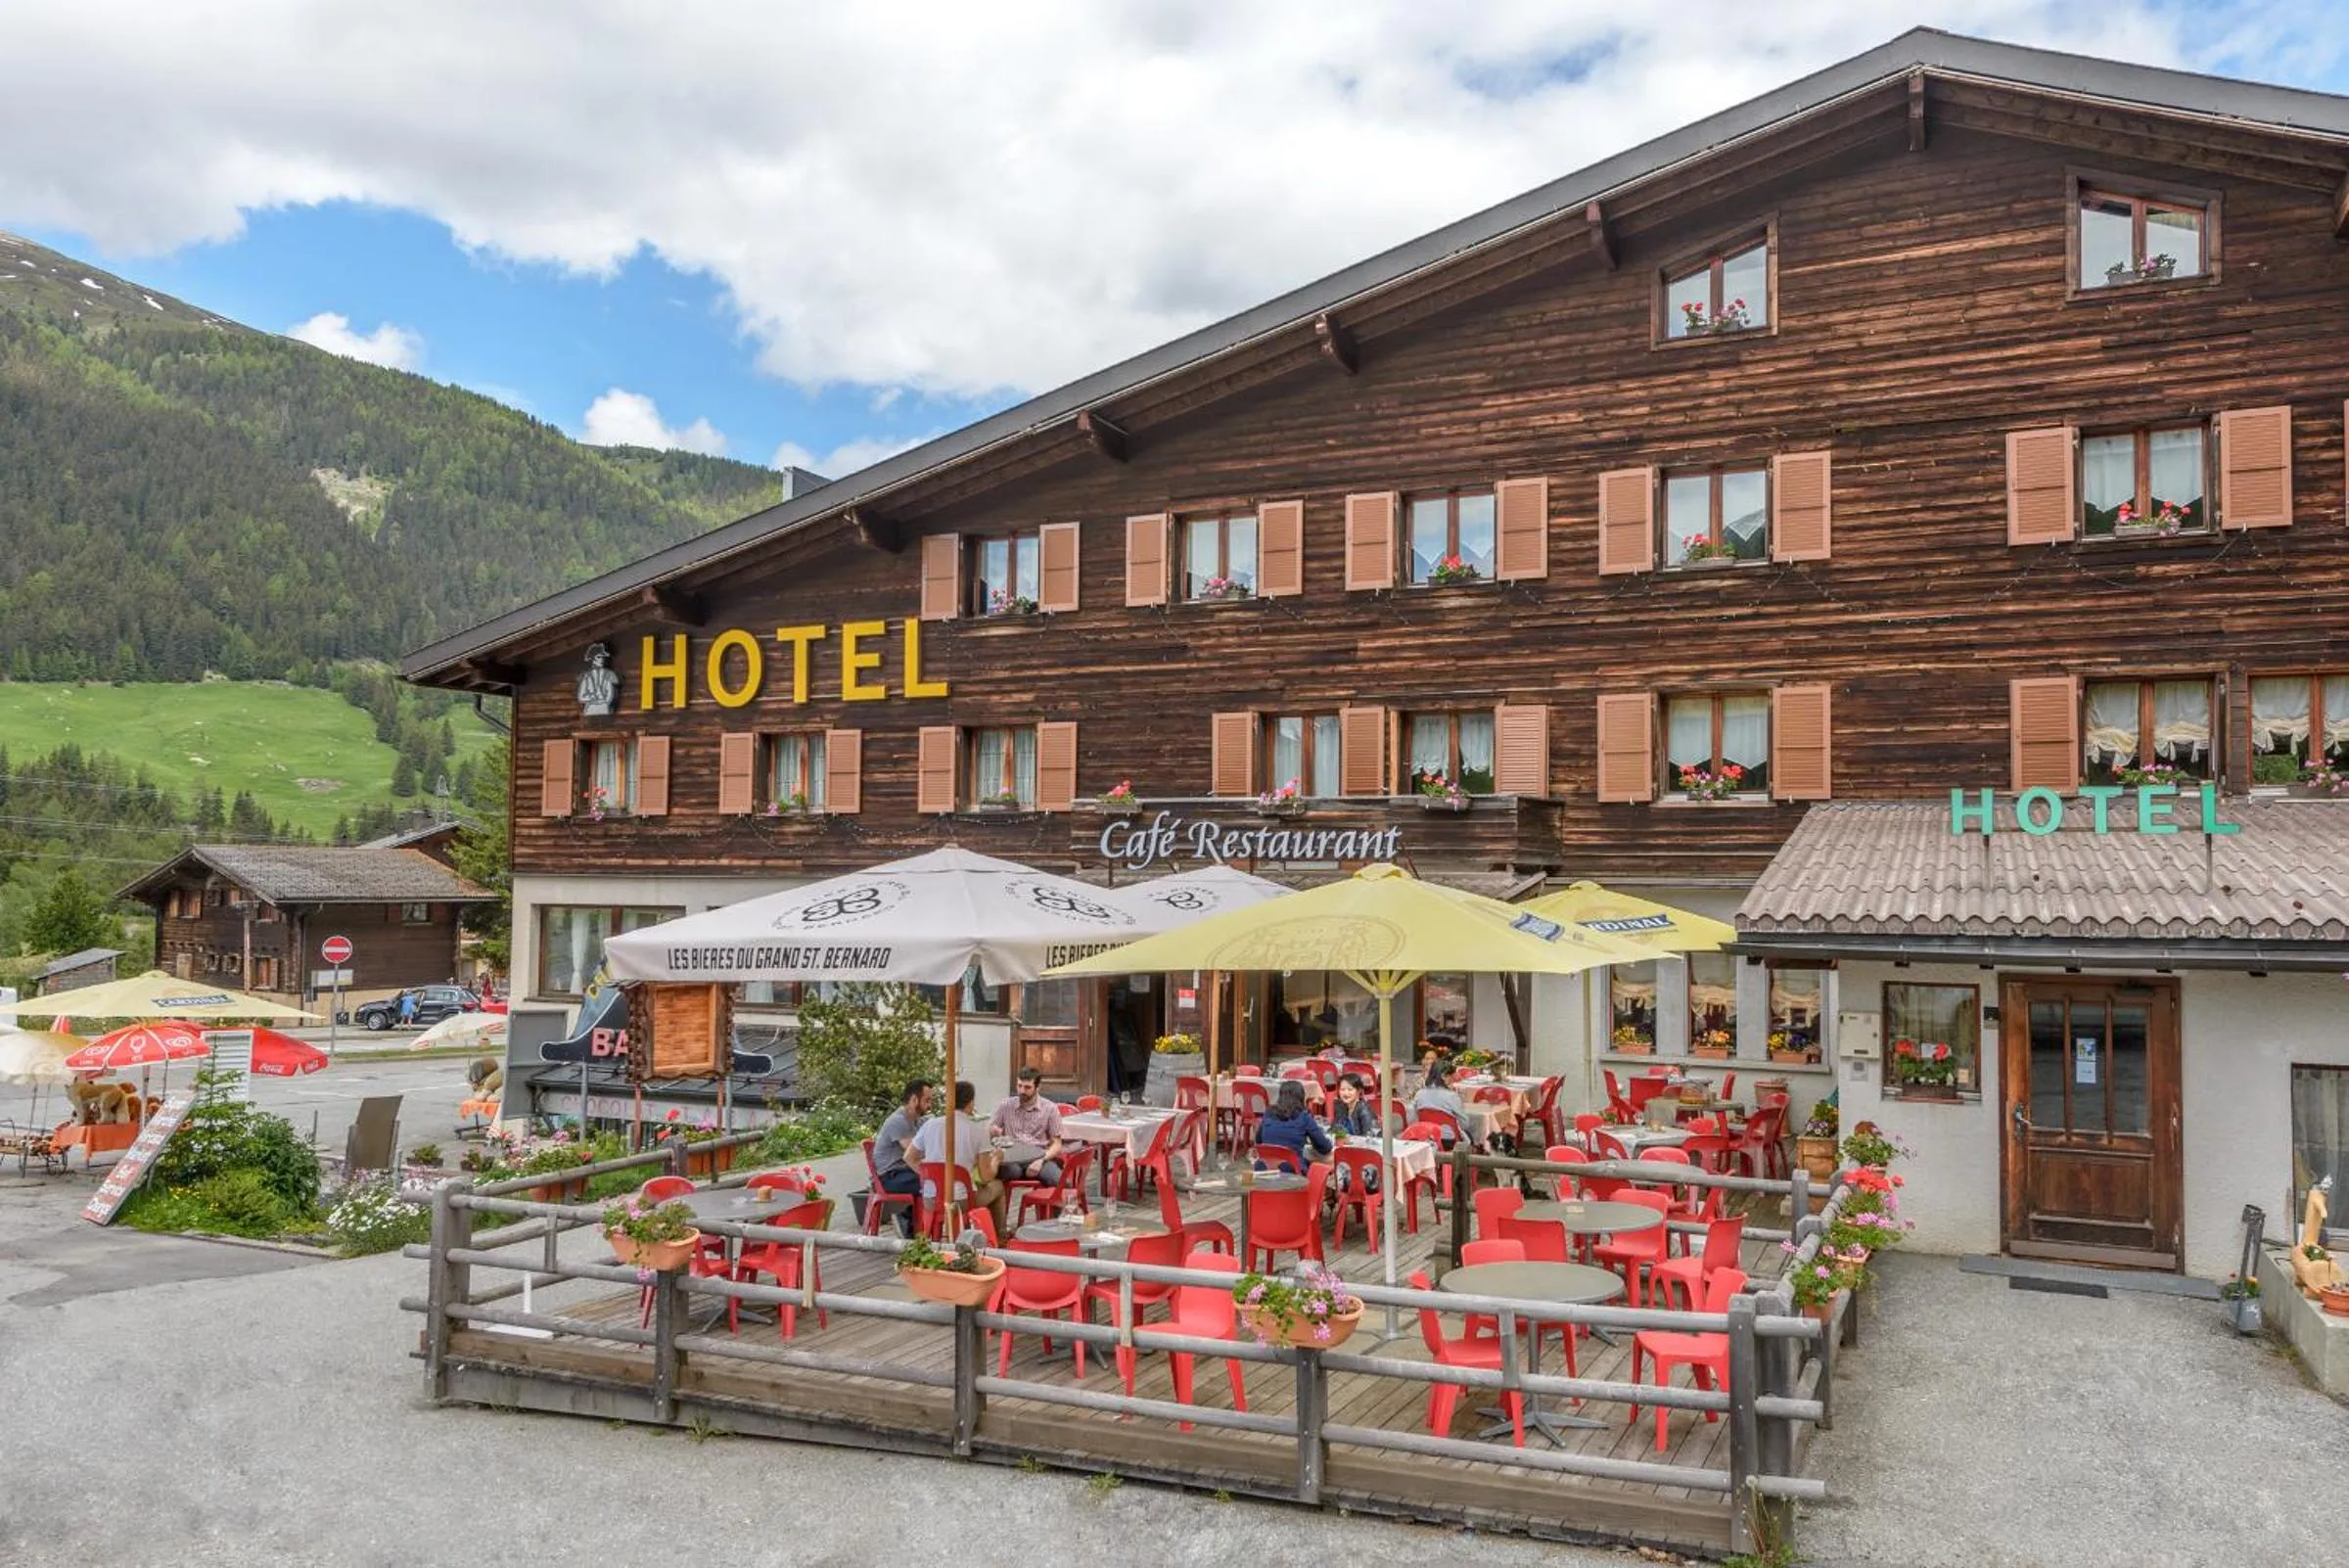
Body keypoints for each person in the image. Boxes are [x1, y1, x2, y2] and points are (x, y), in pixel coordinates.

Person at [910, 1080, 1006, 1232]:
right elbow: (986, 1176)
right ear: (970, 1103)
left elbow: (909, 1157)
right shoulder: (978, 1131)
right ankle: (999, 1238)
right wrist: (996, 1159)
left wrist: (928, 1175)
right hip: (962, 1200)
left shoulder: (930, 1125)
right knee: (998, 1187)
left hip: (930, 1199)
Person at [871, 1079, 935, 1236]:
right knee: (932, 1184)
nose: (930, 1105)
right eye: (927, 1100)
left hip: (904, 1171)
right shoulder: (898, 1121)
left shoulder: (917, 1121)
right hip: (889, 1177)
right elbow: (914, 1153)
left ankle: (908, 1220)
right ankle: (911, 1225)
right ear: (914, 1100)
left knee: (933, 1181)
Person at [988, 1067, 1066, 1188]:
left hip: (1038, 1157)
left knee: (1059, 1180)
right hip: (1011, 1158)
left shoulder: (1050, 1108)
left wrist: (1042, 1161)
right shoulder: (1005, 1105)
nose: (1022, 1091)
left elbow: (1057, 1145)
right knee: (1012, 1171)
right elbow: (991, 1131)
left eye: (1027, 1087)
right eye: (1019, 1086)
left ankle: (1062, 1201)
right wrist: (992, 1132)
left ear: (1037, 1087)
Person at [1253, 1080, 1331, 1170]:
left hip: (1264, 1168)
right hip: (1291, 1170)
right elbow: (1324, 1147)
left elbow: (1259, 1140)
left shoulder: (1269, 1113)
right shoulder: (1304, 1117)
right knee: (1318, 1164)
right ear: (1301, 1097)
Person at [1327, 1072, 1381, 1192]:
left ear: (1359, 1091)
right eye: (1342, 1090)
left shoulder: (1364, 1109)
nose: (1345, 1093)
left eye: (1350, 1089)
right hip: (1345, 1153)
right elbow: (1334, 1129)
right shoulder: (1340, 1106)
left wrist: (1348, 1139)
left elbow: (1369, 1138)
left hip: (1364, 1159)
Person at [1413, 1059, 1472, 1148]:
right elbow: (1465, 1124)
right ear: (1444, 1076)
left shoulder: (1419, 1094)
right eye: (1451, 1076)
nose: (1452, 1080)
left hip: (1426, 1138)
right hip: (1449, 1140)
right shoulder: (1452, 1096)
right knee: (1470, 1136)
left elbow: (1413, 1119)